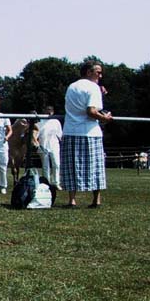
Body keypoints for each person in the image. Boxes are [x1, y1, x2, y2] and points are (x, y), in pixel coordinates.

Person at [61, 60, 113, 208]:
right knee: (96, 167)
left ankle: (72, 200)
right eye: (98, 72)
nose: (100, 75)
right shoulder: (93, 88)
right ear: (89, 72)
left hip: (70, 131)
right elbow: (91, 111)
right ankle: (96, 200)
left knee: (71, 167)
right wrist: (105, 118)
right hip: (89, 133)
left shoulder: (72, 86)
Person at [38, 105, 62, 189]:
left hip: (54, 146)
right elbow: (36, 135)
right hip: (43, 146)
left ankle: (56, 182)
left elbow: (60, 136)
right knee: (45, 166)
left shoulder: (56, 122)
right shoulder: (40, 121)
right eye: (47, 110)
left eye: (51, 110)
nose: (49, 111)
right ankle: (46, 183)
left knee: (56, 164)